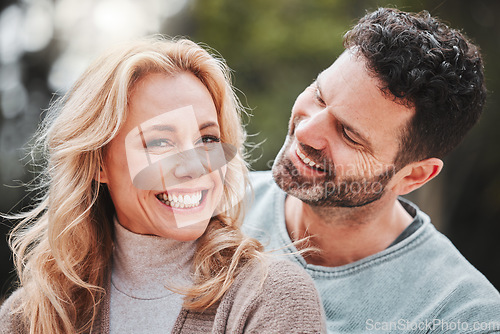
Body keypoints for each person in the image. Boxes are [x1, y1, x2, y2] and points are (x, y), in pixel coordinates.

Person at [0, 37, 326, 334]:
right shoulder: (28, 315)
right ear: (99, 162)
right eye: (159, 142)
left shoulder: (271, 295)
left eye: (208, 139)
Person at [243, 7, 500, 333]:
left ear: (413, 176)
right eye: (319, 96)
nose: (307, 132)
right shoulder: (211, 207)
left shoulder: (461, 318)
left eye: (349, 134)